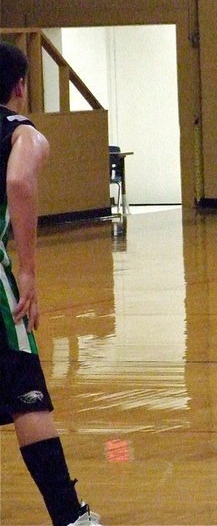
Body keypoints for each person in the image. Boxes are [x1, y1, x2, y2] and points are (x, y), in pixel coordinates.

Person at [0, 42, 101, 526]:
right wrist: (28, 269)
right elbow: (20, 181)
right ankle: (69, 516)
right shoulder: (22, 133)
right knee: (27, 395)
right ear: (20, 87)